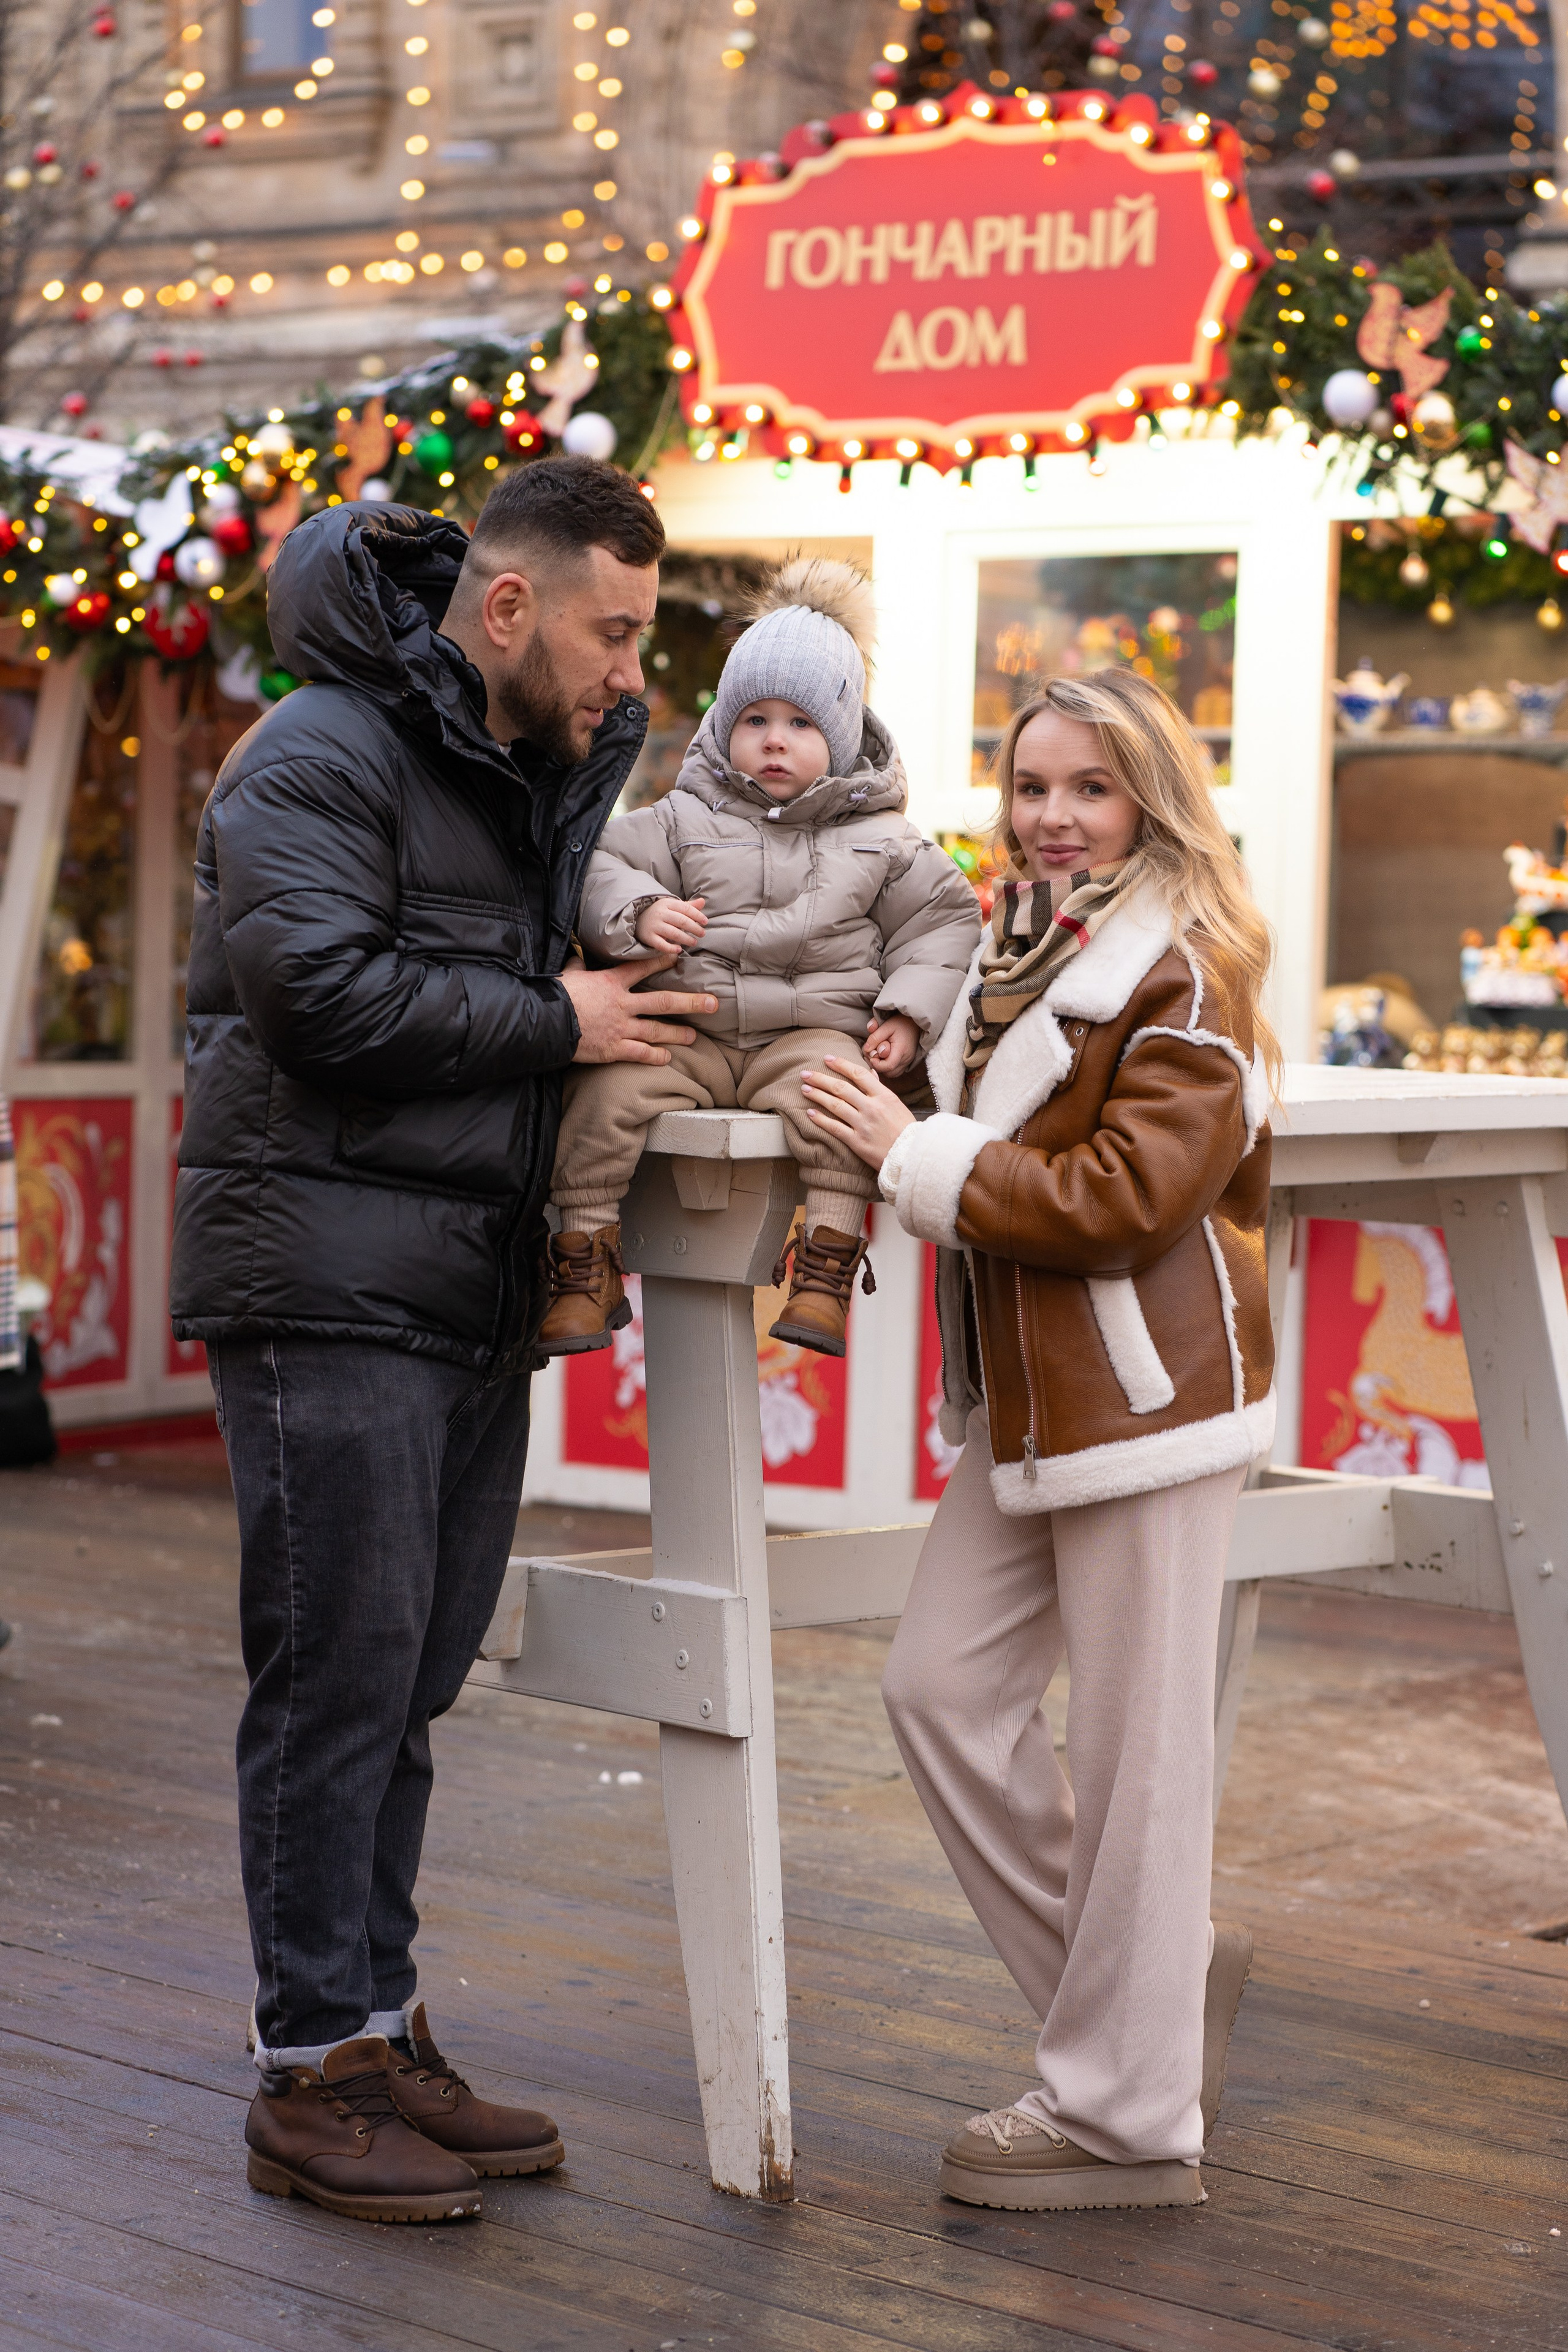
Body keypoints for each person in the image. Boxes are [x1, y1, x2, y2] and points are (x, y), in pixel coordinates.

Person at [170, 458, 718, 2225]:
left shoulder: (522, 761)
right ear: (506, 607)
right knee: (338, 1674)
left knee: (407, 1680)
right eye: (611, 632)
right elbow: (314, 996)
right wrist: (560, 1014)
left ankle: (376, 2027)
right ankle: (306, 2067)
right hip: (323, 1278)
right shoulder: (320, 749)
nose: (631, 670)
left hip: (462, 1286)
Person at [798, 666, 1276, 2213]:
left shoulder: (1186, 964)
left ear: (1151, 797)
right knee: (938, 1691)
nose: (1051, 816)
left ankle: (1124, 2122)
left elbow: (1126, 1199)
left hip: (1144, 1400)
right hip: (1029, 1404)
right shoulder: (1012, 946)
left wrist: (912, 1151)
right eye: (1029, 786)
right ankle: (1151, 1993)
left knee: (1138, 1755)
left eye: (1089, 787)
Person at [538, 557, 981, 1360]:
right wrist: (640, 912)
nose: (775, 739)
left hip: (807, 1037)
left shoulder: (882, 838)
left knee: (842, 1107)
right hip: (693, 1034)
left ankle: (825, 1267)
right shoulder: (680, 818)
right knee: (602, 1099)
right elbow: (598, 868)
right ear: (723, 727)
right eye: (755, 719)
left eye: (802, 724)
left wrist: (907, 1015)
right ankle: (585, 1260)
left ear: (841, 738)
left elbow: (942, 923)